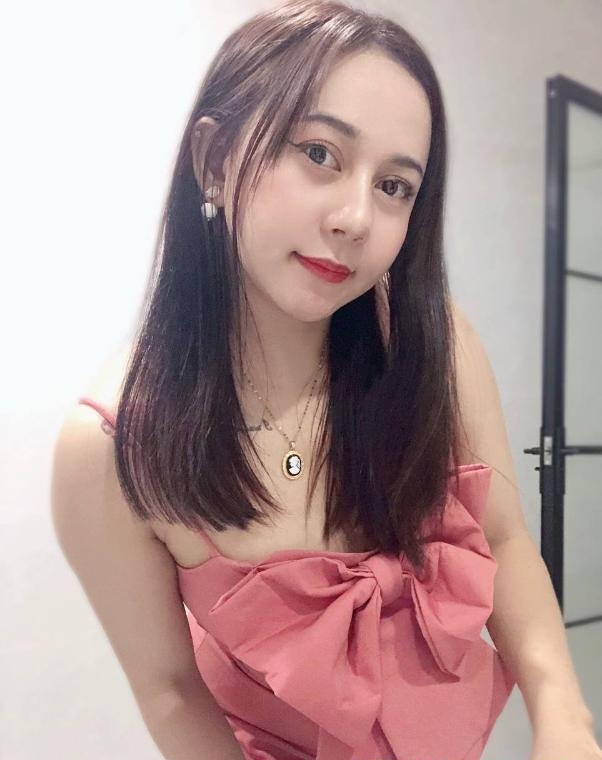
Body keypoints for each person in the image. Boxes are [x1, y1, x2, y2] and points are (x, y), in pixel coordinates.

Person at [50, 1, 601, 759]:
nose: (355, 218)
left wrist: (565, 719)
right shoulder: (112, 447)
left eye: (395, 186)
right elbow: (170, 690)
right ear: (215, 160)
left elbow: (502, 538)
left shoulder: (433, 344)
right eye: (319, 153)